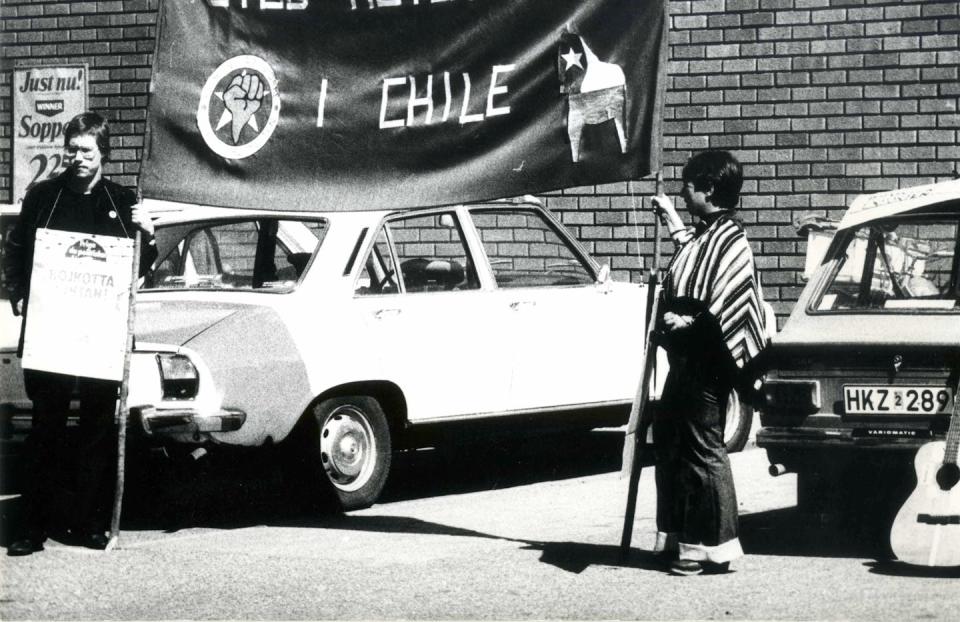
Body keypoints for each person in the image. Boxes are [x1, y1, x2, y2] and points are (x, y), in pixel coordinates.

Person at [4, 111, 157, 556]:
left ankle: (89, 522)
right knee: (45, 427)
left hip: (100, 338)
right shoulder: (43, 197)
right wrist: (17, 291)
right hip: (51, 333)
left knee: (95, 429)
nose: (77, 159)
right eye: (71, 149)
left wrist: (147, 234)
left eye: (86, 151)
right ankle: (31, 526)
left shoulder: (122, 200)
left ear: (103, 153)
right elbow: (15, 251)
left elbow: (140, 266)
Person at [647, 150, 768, 576]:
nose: (682, 191)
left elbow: (725, 302)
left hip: (706, 359)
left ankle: (706, 547)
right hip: (687, 358)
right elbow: (692, 252)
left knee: (702, 449)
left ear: (709, 189)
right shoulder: (707, 234)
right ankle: (681, 536)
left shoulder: (731, 238)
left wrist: (686, 321)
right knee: (674, 445)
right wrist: (669, 219)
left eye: (689, 185)